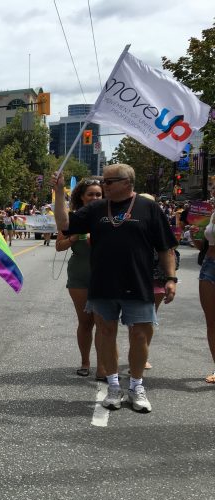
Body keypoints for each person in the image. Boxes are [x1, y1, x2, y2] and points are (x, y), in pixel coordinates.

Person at [53, 164, 178, 413]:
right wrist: (58, 193)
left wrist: (170, 278)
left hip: (138, 282)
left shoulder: (149, 208)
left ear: (127, 183)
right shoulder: (96, 208)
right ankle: (113, 386)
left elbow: (166, 247)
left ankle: (136, 386)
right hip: (102, 282)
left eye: (109, 182)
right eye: (104, 181)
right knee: (106, 333)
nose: (104, 186)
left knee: (140, 335)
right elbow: (65, 224)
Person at [55, 177, 106, 380]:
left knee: (104, 323)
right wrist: (74, 237)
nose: (94, 197)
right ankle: (85, 362)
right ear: (82, 197)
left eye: (98, 194)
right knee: (85, 322)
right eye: (90, 194)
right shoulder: (73, 219)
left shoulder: (111, 216)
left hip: (104, 275)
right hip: (79, 276)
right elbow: (59, 246)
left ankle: (103, 365)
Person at [198, 178, 215, 384]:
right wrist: (195, 236)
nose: (212, 192)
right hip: (209, 266)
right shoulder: (210, 214)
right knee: (211, 322)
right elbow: (204, 244)